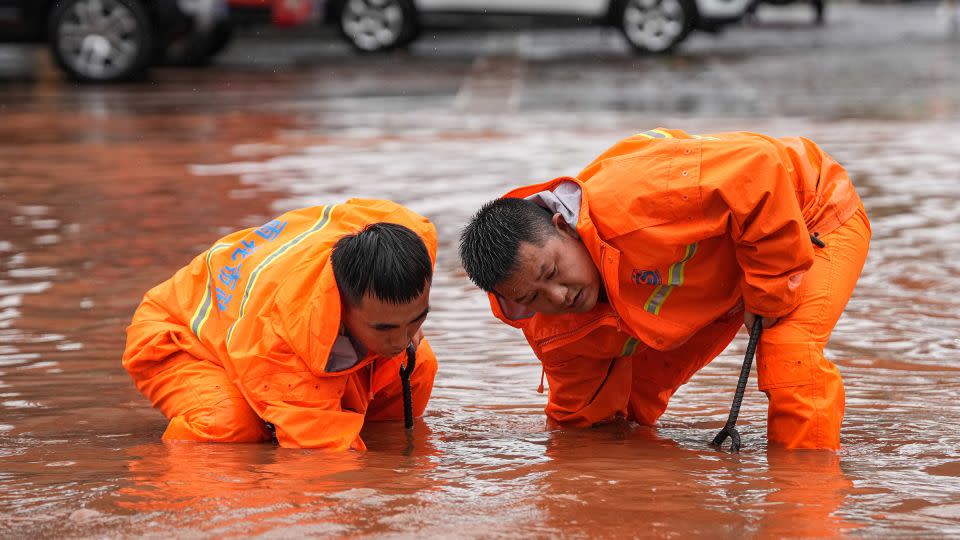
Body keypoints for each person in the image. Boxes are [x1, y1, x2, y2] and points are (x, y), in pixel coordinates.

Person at [459, 128, 870, 450]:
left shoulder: (637, 198)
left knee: (788, 353)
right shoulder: (553, 328)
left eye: (552, 271)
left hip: (804, 213)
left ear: (562, 226)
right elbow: (580, 418)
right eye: (533, 297)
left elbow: (758, 166)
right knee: (621, 415)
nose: (558, 297)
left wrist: (768, 290)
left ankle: (804, 499)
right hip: (718, 269)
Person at [122, 199, 438, 450]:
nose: (400, 340)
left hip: (252, 315)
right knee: (231, 429)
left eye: (416, 319)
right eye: (385, 328)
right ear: (342, 303)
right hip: (181, 333)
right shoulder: (283, 353)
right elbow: (324, 468)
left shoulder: (412, 236)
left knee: (416, 366)